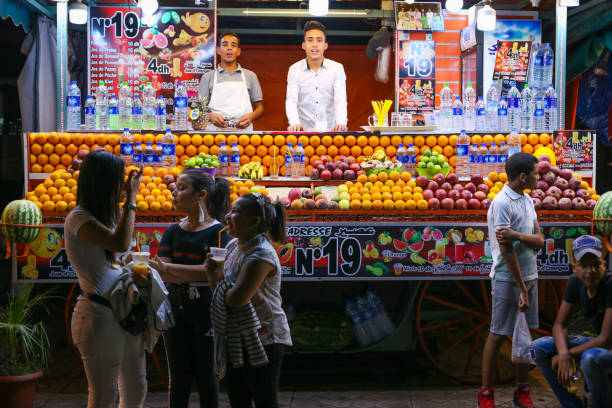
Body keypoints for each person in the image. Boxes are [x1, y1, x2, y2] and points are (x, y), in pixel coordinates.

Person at [65, 150, 146, 407]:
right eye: (119, 179)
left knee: (136, 389)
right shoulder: (79, 218)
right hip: (98, 316)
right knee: (103, 398)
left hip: (124, 313)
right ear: (103, 182)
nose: (123, 184)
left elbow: (117, 256)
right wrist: (131, 198)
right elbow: (120, 242)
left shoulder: (107, 218)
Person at [150, 170, 231, 408]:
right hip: (175, 308)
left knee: (207, 377)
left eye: (182, 187)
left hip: (207, 309)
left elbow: (216, 272)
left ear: (201, 195)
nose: (174, 191)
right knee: (178, 378)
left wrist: (172, 270)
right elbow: (164, 271)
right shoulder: (173, 230)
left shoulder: (220, 232)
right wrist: (200, 270)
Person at [205, 193, 292, 408]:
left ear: (253, 222)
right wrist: (214, 276)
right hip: (239, 336)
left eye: (236, 212)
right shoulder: (235, 246)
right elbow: (222, 290)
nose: (228, 216)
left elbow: (235, 299)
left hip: (265, 338)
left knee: (264, 400)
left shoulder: (261, 255)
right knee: (238, 399)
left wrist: (213, 277)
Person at [478, 152, 544, 408]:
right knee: (497, 334)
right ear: (523, 176)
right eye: (536, 173)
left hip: (531, 276)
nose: (539, 178)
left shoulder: (528, 200)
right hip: (507, 278)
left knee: (526, 335)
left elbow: (539, 239)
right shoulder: (502, 202)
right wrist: (521, 288)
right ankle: (486, 394)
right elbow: (506, 250)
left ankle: (522, 391)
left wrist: (517, 235)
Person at [531, 235, 612, 408]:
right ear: (574, 267)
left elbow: (605, 339)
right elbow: (559, 325)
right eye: (584, 265)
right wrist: (563, 353)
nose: (590, 270)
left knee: (590, 358)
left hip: (607, 346)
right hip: (599, 345)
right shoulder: (575, 282)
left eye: (596, 264)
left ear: (604, 265)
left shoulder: (610, 285)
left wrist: (568, 354)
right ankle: (573, 406)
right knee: (538, 348)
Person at [285, 21, 348, 132]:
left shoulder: (337, 68)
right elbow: (291, 100)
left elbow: (340, 99)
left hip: (331, 132)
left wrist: (341, 123)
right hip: (303, 131)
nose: (314, 44)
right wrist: (294, 123)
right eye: (310, 40)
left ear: (325, 45)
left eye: (319, 40)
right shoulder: (294, 69)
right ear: (304, 45)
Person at [199, 31, 264, 131]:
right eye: (224, 45)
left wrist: (251, 116)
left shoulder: (250, 76)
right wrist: (210, 117)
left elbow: (260, 108)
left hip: (244, 135)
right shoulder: (207, 77)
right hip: (214, 135)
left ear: (238, 51)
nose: (229, 48)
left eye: (233, 45)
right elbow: (199, 110)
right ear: (218, 50)